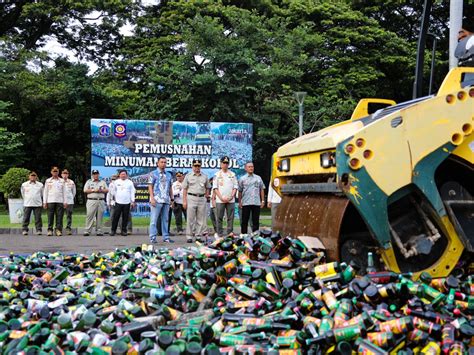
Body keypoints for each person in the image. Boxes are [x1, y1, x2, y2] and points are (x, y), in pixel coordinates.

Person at [182, 159, 211, 243]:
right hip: (191, 197)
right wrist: (184, 201)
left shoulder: (204, 176)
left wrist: (206, 195)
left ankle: (198, 235)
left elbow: (208, 187)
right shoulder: (188, 176)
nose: (197, 168)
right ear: (192, 166)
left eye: (198, 166)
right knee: (190, 218)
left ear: (200, 166)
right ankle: (189, 236)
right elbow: (184, 189)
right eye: (195, 166)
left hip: (201, 198)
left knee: (200, 219)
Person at [148, 157, 174, 243]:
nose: (163, 164)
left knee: (165, 219)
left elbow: (170, 187)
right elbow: (150, 186)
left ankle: (166, 237)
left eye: (165, 162)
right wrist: (152, 198)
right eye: (162, 162)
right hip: (156, 199)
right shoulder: (153, 173)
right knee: (154, 220)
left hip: (166, 200)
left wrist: (172, 198)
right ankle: (152, 237)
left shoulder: (169, 175)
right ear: (157, 163)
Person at [212, 156, 238, 237]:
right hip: (220, 200)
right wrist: (221, 198)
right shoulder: (217, 174)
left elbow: (235, 187)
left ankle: (230, 232)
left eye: (227, 163)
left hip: (230, 199)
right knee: (219, 217)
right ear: (221, 164)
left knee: (230, 217)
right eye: (224, 163)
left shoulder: (232, 174)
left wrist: (231, 196)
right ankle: (219, 233)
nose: (225, 165)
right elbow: (215, 188)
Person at [238, 162, 265, 234]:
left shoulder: (258, 178)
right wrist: (240, 201)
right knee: (244, 221)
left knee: (256, 221)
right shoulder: (242, 179)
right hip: (246, 202)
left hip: (256, 202)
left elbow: (261, 189)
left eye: (252, 167)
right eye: (249, 167)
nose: (251, 168)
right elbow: (240, 191)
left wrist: (262, 201)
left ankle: (255, 236)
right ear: (245, 168)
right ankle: (244, 236)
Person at [110, 169, 135, 236]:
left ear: (126, 175)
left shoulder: (130, 182)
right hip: (118, 202)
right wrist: (113, 200)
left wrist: (132, 201)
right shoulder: (116, 182)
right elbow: (113, 192)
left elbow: (132, 192)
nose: (123, 175)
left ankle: (124, 231)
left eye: (124, 174)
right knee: (116, 217)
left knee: (125, 217)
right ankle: (113, 230)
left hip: (127, 202)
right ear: (119, 175)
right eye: (122, 174)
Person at [43, 166, 67, 236]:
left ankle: (58, 230)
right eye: (54, 171)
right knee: (50, 216)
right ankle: (50, 230)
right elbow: (45, 192)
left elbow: (64, 192)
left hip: (60, 201)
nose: (55, 172)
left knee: (59, 216)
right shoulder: (48, 181)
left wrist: (65, 201)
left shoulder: (62, 181)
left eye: (56, 171)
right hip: (50, 200)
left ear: (58, 172)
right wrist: (45, 202)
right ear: (51, 172)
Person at [83, 170, 108, 236]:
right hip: (91, 200)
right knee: (89, 215)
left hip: (101, 200)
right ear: (92, 175)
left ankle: (99, 231)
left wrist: (101, 190)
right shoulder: (89, 182)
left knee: (100, 216)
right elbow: (85, 190)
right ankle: (87, 231)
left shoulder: (102, 182)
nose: (95, 175)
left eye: (96, 174)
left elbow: (107, 190)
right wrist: (94, 190)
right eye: (94, 174)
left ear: (99, 174)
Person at [21, 171, 43, 236]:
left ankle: (39, 230)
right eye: (31, 175)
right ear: (29, 176)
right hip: (27, 203)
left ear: (36, 177)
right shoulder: (24, 184)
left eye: (34, 176)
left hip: (37, 204)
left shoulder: (40, 185)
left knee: (38, 218)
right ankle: (25, 230)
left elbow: (42, 194)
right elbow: (23, 194)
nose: (33, 177)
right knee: (26, 217)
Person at [61, 169, 76, 235]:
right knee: (59, 215)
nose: (65, 175)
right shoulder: (59, 181)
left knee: (69, 215)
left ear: (68, 175)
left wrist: (70, 198)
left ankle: (68, 228)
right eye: (64, 174)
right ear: (61, 174)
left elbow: (74, 192)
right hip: (60, 201)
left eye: (66, 174)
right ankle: (59, 228)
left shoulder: (71, 182)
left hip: (69, 201)